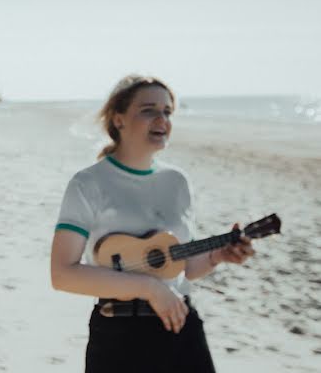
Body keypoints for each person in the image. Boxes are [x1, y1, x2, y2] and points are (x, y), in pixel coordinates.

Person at [50, 74, 255, 373]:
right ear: (118, 120)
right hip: (118, 336)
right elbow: (62, 275)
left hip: (180, 324)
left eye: (167, 112)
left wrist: (217, 256)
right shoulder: (88, 183)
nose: (162, 119)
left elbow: (179, 268)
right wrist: (148, 288)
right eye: (149, 110)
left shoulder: (178, 182)